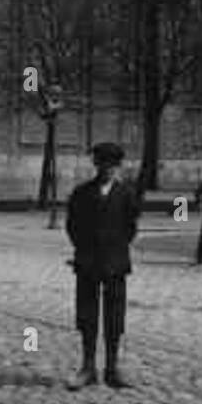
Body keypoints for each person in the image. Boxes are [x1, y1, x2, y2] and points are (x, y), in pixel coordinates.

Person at [65, 142, 139, 390]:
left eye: (113, 165)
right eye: (103, 164)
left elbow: (131, 227)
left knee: (115, 316)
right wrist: (84, 250)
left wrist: (115, 250)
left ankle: (112, 368)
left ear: (118, 167)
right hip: (87, 262)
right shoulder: (81, 193)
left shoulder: (127, 194)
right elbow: (72, 226)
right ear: (96, 165)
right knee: (87, 315)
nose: (108, 169)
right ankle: (87, 368)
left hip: (116, 263)